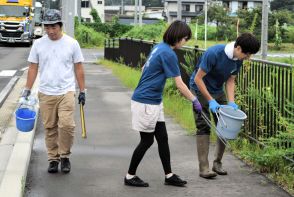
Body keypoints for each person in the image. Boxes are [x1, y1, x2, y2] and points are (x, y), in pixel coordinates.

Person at [124, 20, 202, 187]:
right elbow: (180, 84)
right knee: (147, 141)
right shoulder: (168, 54)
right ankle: (130, 176)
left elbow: (144, 68)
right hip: (146, 102)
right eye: (186, 38)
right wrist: (194, 100)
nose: (186, 42)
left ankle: (169, 175)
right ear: (180, 37)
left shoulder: (160, 47)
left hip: (153, 101)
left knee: (163, 138)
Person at [21, 9, 85, 174]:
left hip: (66, 91)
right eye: (47, 27)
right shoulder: (39, 44)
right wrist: (27, 89)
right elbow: (33, 68)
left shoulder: (72, 43)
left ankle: (65, 156)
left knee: (66, 125)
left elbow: (78, 67)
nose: (50, 31)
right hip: (46, 92)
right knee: (50, 127)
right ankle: (53, 159)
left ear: (60, 25)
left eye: (53, 27)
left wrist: (83, 90)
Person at [189, 33, 260, 179]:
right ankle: (204, 168)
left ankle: (217, 163)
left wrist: (231, 102)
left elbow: (230, 81)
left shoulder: (237, 59)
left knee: (225, 125)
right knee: (203, 126)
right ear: (238, 48)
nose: (248, 57)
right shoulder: (214, 53)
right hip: (199, 89)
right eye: (247, 54)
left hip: (217, 91)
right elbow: (198, 78)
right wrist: (210, 100)